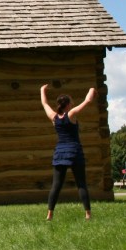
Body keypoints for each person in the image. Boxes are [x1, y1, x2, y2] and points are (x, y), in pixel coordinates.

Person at [40, 84, 95, 221]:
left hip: (60, 153)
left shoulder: (54, 117)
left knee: (56, 186)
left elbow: (44, 103)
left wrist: (42, 90)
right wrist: (92, 88)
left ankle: (49, 214)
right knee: (81, 184)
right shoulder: (70, 114)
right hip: (74, 152)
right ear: (68, 104)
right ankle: (88, 214)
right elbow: (87, 101)